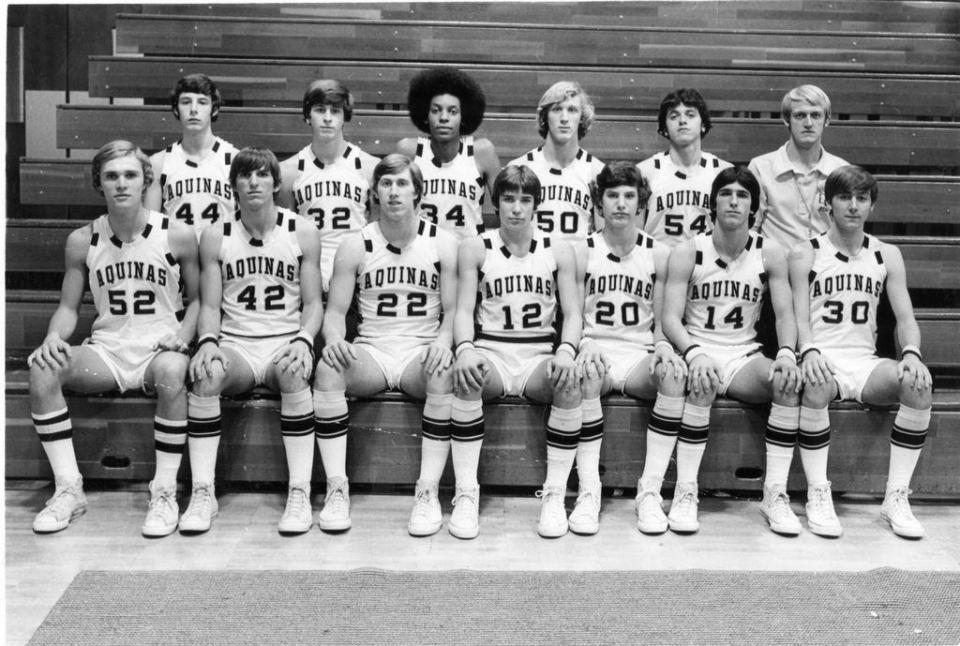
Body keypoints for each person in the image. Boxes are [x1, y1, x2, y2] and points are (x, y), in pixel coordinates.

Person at [29, 140, 200, 536]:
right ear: (99, 184)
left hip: (159, 349)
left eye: (129, 175)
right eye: (111, 176)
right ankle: (68, 489)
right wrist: (54, 337)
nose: (121, 183)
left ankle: (165, 492)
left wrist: (184, 337)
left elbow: (199, 301)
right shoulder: (82, 240)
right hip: (108, 350)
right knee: (42, 369)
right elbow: (69, 308)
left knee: (174, 370)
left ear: (145, 181)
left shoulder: (176, 235)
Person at [313, 154, 458, 536]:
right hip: (373, 351)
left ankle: (427, 491)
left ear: (418, 192)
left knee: (445, 370)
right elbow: (335, 312)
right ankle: (336, 488)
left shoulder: (442, 243)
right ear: (375, 192)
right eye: (386, 184)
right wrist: (333, 340)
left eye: (402, 184)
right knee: (328, 367)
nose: (394, 192)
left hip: (419, 352)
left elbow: (455, 312)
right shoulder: (355, 244)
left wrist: (444, 341)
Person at [180, 147, 323, 535]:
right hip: (238, 344)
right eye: (245, 176)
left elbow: (313, 304)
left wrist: (304, 340)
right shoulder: (216, 234)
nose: (253, 182)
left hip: (283, 341)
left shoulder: (302, 231)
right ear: (234, 186)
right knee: (206, 375)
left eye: (262, 175)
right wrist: (208, 342)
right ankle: (202, 491)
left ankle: (299, 491)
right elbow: (210, 305)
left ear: (277, 183)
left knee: (294, 374)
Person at [789, 166, 933, 539]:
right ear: (828, 204)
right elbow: (799, 318)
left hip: (865, 363)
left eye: (862, 198)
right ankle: (818, 492)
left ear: (871, 205)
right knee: (816, 386)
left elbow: (905, 318)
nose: (853, 206)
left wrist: (913, 354)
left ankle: (896, 497)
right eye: (844, 198)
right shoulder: (807, 253)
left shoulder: (887, 254)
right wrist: (809, 350)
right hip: (824, 358)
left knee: (918, 386)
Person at [660, 166, 802, 535]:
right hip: (698, 349)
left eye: (742, 195)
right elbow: (670, 319)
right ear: (713, 202)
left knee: (786, 382)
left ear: (753, 206)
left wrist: (787, 353)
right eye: (726, 193)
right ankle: (685, 490)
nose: (734, 201)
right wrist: (693, 353)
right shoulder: (689, 250)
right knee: (701, 383)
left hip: (742, 356)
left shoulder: (769, 252)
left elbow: (786, 316)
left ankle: (775, 494)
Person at [452, 165, 582, 539]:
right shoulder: (476, 246)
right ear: (496, 203)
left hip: (538, 355)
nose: (516, 209)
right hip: (492, 351)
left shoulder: (558, 249)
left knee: (570, 382)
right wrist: (463, 349)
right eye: (508, 199)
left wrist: (567, 351)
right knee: (464, 375)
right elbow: (462, 310)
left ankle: (554, 495)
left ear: (536, 205)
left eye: (525, 200)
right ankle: (465, 493)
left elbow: (572, 313)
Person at [573, 162, 687, 535]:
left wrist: (663, 349)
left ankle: (650, 491)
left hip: (639, 354)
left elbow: (660, 325)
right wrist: (584, 344)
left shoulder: (659, 253)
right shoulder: (582, 250)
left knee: (673, 374)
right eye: (612, 195)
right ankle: (589, 490)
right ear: (599, 202)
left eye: (628, 196)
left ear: (641, 204)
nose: (620, 203)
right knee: (584, 375)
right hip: (597, 350)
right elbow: (574, 316)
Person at [278, 79, 379, 293]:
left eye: (335, 111)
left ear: (345, 117)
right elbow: (286, 236)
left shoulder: (369, 168)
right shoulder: (288, 171)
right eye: (319, 110)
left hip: (358, 275)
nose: (327, 118)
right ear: (307, 116)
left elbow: (376, 231)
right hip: (308, 275)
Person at [397, 67, 500, 239]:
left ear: (463, 116)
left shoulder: (482, 152)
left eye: (453, 111)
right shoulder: (409, 152)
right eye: (436, 110)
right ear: (425, 114)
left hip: (468, 255)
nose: (443, 118)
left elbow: (505, 209)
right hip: (424, 254)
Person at [748, 84, 848, 248]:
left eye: (816, 115)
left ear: (827, 120)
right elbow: (751, 229)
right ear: (787, 120)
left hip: (826, 267)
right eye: (800, 115)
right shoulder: (760, 167)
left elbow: (848, 232)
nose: (808, 123)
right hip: (778, 268)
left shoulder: (841, 169)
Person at [510, 81, 604, 244]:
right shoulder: (521, 167)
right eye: (557, 109)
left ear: (582, 118)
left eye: (572, 110)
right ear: (545, 116)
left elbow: (602, 240)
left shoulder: (597, 171)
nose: (564, 118)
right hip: (533, 265)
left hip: (578, 265)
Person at [145, 74, 238, 239]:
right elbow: (152, 230)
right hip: (177, 257)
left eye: (202, 102)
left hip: (222, 256)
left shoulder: (234, 159)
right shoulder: (159, 163)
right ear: (175, 109)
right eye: (186, 102)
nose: (193, 109)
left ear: (214, 109)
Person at [637, 88, 732, 247]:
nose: (682, 121)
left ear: (703, 124)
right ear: (665, 128)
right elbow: (635, 234)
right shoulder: (646, 171)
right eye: (674, 116)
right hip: (660, 264)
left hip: (707, 267)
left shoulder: (722, 171)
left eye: (690, 115)